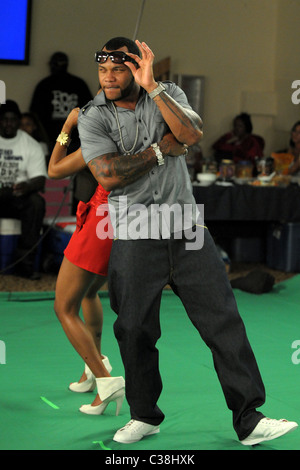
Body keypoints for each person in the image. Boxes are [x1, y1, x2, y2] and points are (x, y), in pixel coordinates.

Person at [77, 36, 297, 446]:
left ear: (137, 67)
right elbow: (107, 173)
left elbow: (191, 133)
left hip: (186, 228)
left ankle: (249, 419)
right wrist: (161, 151)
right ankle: (145, 415)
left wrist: (154, 87)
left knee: (223, 322)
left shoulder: (169, 95)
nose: (108, 78)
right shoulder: (93, 116)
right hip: (135, 230)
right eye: (103, 70)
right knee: (134, 329)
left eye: (119, 69)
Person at [48, 107, 124, 415]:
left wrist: (67, 126)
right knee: (89, 293)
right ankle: (92, 368)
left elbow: (53, 169)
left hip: (99, 223)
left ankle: (107, 382)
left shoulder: (96, 143)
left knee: (64, 307)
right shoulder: (134, 138)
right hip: (121, 223)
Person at [0, 100, 47, 279]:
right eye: (4, 120)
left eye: (12, 120)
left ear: (18, 121)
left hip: (17, 195)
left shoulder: (30, 144)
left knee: (36, 203)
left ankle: (25, 265)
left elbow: (40, 180)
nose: (8, 124)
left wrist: (27, 186)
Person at [30, 52, 93, 152]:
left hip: (56, 139)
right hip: (70, 139)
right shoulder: (78, 84)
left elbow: (35, 114)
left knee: (55, 166)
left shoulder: (44, 85)